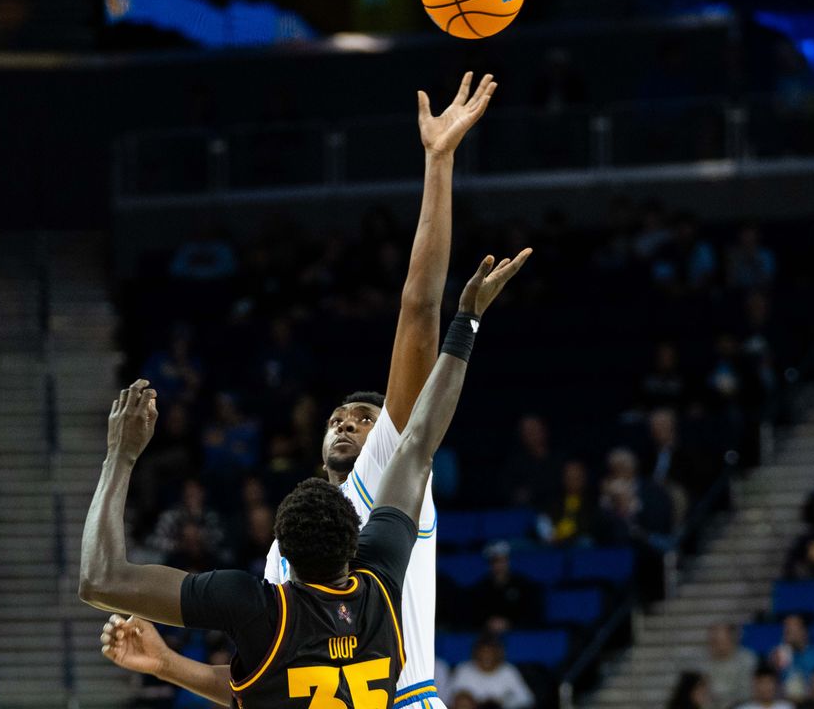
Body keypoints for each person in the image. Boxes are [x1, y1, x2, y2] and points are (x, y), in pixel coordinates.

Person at [87, 72, 502, 709]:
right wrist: (170, 665)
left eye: (364, 417)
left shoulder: (383, 474)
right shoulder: (314, 558)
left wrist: (439, 164)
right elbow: (269, 685)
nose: (347, 423)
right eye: (339, 416)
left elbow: (417, 310)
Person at [81, 248, 527, 709]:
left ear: (281, 554)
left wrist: (121, 453)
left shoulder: (259, 608)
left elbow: (99, 580)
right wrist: (468, 319)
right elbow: (419, 440)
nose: (347, 425)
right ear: (357, 538)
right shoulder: (380, 583)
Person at [446, 636, 535, 709]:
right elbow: (448, 699)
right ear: (476, 654)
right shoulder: (463, 670)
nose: (486, 657)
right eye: (483, 653)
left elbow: (526, 699)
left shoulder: (508, 671)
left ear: (498, 655)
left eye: (490, 653)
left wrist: (502, 703)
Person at [468, 541, 538, 633]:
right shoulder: (480, 588)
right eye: (495, 561)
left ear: (508, 561)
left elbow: (531, 614)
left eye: (503, 560)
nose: (499, 565)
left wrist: (509, 623)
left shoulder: (524, 585)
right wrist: (488, 623)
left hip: (518, 634)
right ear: (489, 564)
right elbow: (474, 615)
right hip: (487, 636)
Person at [768, 615, 814, 701]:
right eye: (785, 627)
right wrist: (773, 666)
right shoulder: (779, 655)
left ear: (804, 631)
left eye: (792, 626)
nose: (787, 630)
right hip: (786, 702)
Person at [700, 623, 757, 709]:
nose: (713, 645)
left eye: (717, 641)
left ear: (731, 640)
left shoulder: (747, 660)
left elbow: (747, 692)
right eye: (712, 641)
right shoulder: (704, 663)